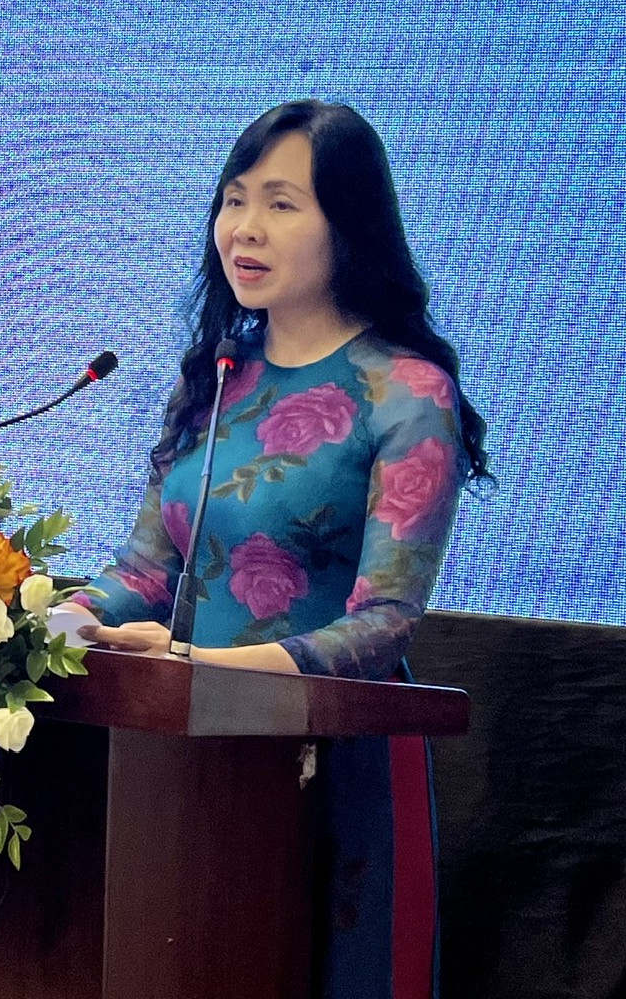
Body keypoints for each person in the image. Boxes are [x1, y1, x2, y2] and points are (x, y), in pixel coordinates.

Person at [62, 99, 490, 999]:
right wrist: (41, 627)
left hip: (331, 763)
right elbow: (145, 573)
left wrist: (202, 666)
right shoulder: (217, 378)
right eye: (234, 199)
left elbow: (384, 624)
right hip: (184, 753)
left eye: (282, 203)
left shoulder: (407, 393)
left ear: (349, 225)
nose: (245, 228)